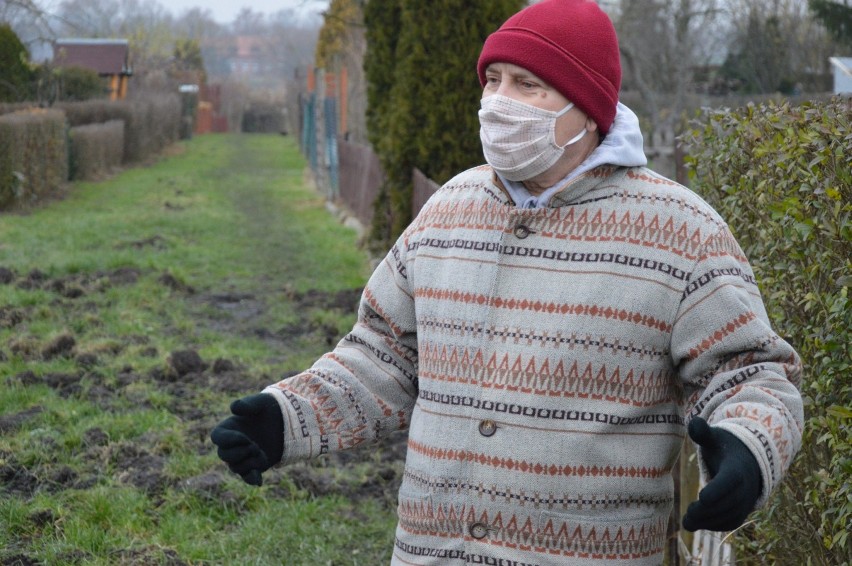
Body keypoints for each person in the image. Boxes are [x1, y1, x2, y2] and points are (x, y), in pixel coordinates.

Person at [211, 1, 804, 564]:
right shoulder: (451, 209)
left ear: (587, 106)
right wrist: (288, 418)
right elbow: (385, 356)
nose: (498, 102)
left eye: (527, 85)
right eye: (492, 80)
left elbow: (747, 373)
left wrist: (748, 449)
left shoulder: (679, 230)